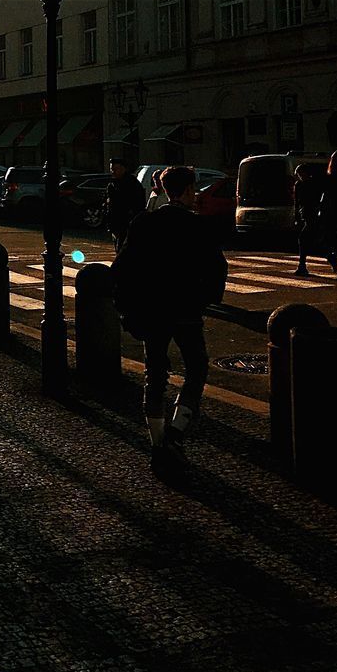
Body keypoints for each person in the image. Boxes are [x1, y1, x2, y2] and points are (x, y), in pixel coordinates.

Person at [111, 165, 228, 480]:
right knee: (196, 368)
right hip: (186, 309)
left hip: (152, 310)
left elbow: (121, 268)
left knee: (156, 374)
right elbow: (217, 269)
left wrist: (127, 307)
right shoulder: (198, 226)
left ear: (163, 190)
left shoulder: (145, 223)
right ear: (188, 191)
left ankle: (158, 443)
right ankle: (177, 431)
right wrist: (206, 297)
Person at [104, 158, 146, 250]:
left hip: (128, 224)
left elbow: (138, 205)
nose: (113, 172)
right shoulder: (112, 185)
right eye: (112, 169)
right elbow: (110, 205)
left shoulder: (132, 184)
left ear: (123, 169)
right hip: (116, 224)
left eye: (115, 169)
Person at [293, 162, 325, 277]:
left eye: (301, 173)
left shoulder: (313, 184)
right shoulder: (298, 185)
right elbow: (297, 203)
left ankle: (302, 265)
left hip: (313, 215)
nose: (300, 176)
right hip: (305, 215)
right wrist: (297, 217)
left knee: (304, 239)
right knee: (307, 240)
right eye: (298, 174)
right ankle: (302, 266)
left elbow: (318, 200)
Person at [320, 150, 337, 281]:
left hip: (335, 212)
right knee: (329, 240)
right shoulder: (329, 178)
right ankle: (332, 256)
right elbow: (325, 196)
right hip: (332, 212)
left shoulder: (331, 178)